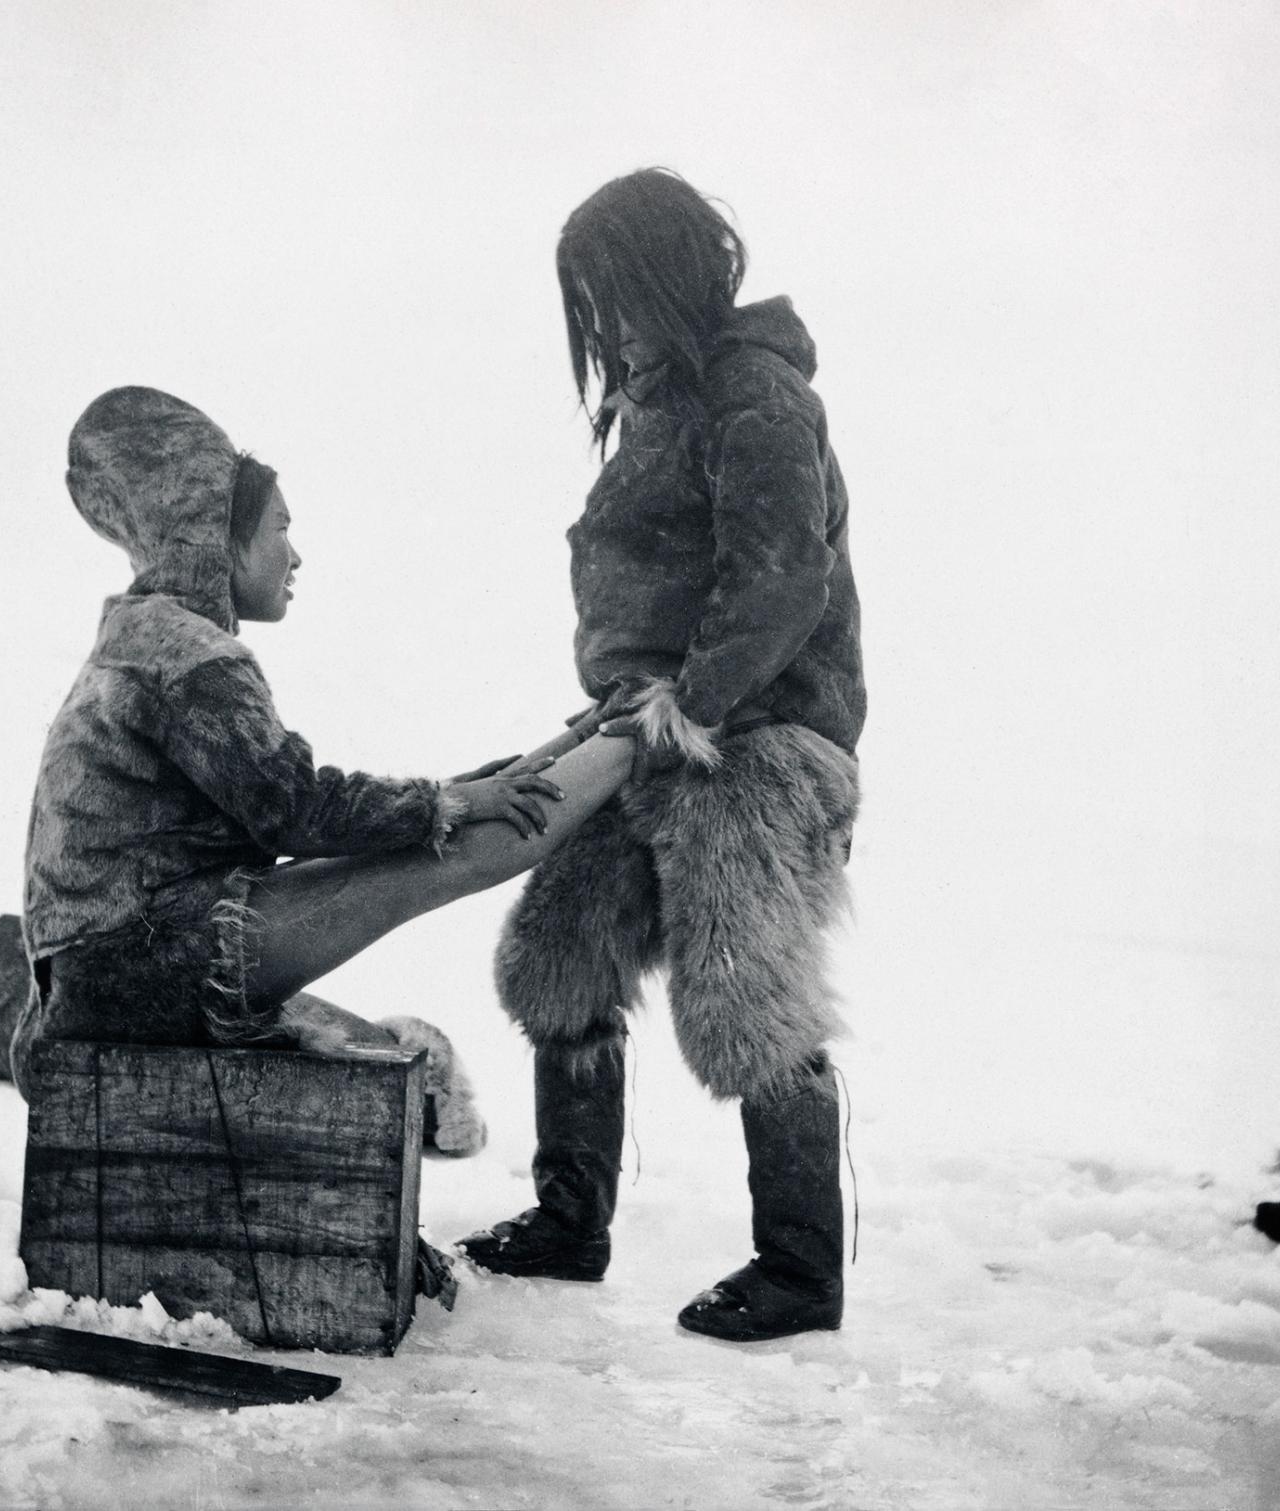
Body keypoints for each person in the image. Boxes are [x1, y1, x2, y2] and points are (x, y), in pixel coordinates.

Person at [458, 169, 866, 1343]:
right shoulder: (662, 403)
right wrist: (634, 716)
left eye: (618, 289)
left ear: (674, 276)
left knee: (745, 994)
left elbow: (782, 575)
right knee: (557, 955)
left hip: (756, 737)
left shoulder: (755, 396)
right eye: (591, 299)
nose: (609, 319)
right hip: (650, 731)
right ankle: (568, 1220)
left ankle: (799, 1270)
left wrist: (693, 703)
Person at [0, 385, 635, 1100]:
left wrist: (488, 777)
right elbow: (293, 811)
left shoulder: (147, 638)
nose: (295, 555)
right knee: (436, 861)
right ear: (216, 537)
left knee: (455, 821)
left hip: (109, 968)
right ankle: (650, 734)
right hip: (144, 967)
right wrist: (448, 802)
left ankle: (617, 728)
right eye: (279, 529)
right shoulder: (190, 658)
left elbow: (290, 803)